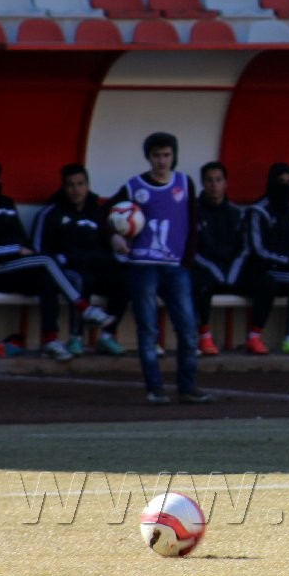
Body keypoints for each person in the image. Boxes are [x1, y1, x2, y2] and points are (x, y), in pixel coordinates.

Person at [109, 132, 210, 404]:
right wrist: (114, 235)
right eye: (156, 155)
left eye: (166, 155)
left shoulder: (184, 184)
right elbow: (107, 213)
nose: (162, 161)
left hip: (176, 267)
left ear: (174, 156)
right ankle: (155, 389)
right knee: (149, 331)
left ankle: (187, 387)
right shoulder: (134, 186)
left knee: (187, 328)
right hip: (143, 266)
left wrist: (187, 261)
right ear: (148, 157)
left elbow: (192, 224)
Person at [0, 158, 114, 362]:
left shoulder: (6, 204)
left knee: (47, 278)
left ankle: (50, 340)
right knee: (47, 259)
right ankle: (84, 308)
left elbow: (21, 238)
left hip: (13, 267)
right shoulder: (51, 212)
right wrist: (15, 249)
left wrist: (20, 248)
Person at [31, 163, 128, 356]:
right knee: (83, 279)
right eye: (71, 185)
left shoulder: (98, 212)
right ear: (64, 187)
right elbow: (38, 250)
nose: (76, 190)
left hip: (96, 267)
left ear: (87, 185)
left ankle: (107, 336)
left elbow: (108, 242)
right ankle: (76, 337)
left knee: (124, 280)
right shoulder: (52, 212)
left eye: (80, 184)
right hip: (67, 271)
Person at [190, 161, 278, 356]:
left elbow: (245, 248)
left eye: (218, 180)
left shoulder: (237, 213)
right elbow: (193, 250)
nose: (214, 185)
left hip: (233, 273)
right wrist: (216, 271)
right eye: (209, 180)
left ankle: (254, 337)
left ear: (226, 183)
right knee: (197, 283)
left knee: (267, 282)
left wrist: (231, 272)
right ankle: (204, 337)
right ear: (203, 183)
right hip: (208, 272)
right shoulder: (192, 212)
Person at [242, 162, 289, 356]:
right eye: (281, 182)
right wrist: (285, 259)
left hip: (285, 268)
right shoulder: (258, 211)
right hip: (259, 269)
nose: (285, 186)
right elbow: (257, 249)